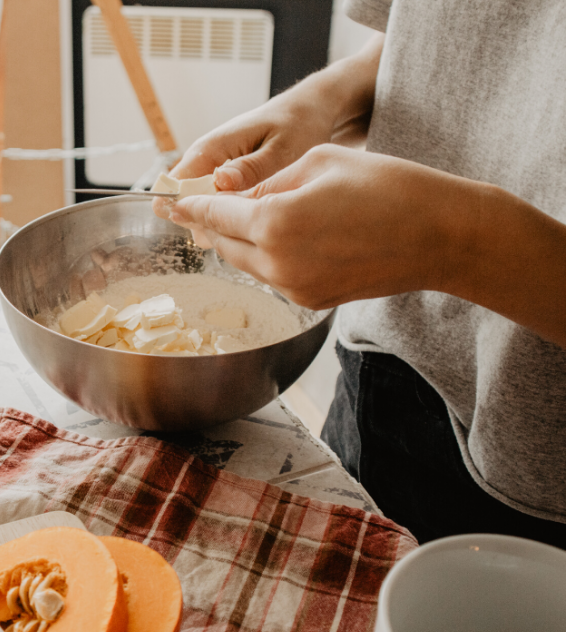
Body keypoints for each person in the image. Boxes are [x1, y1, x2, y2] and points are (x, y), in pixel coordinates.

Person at [153, 0, 566, 547]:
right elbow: (440, 37)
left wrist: (458, 243)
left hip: (537, 482)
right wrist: (325, 102)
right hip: (378, 377)